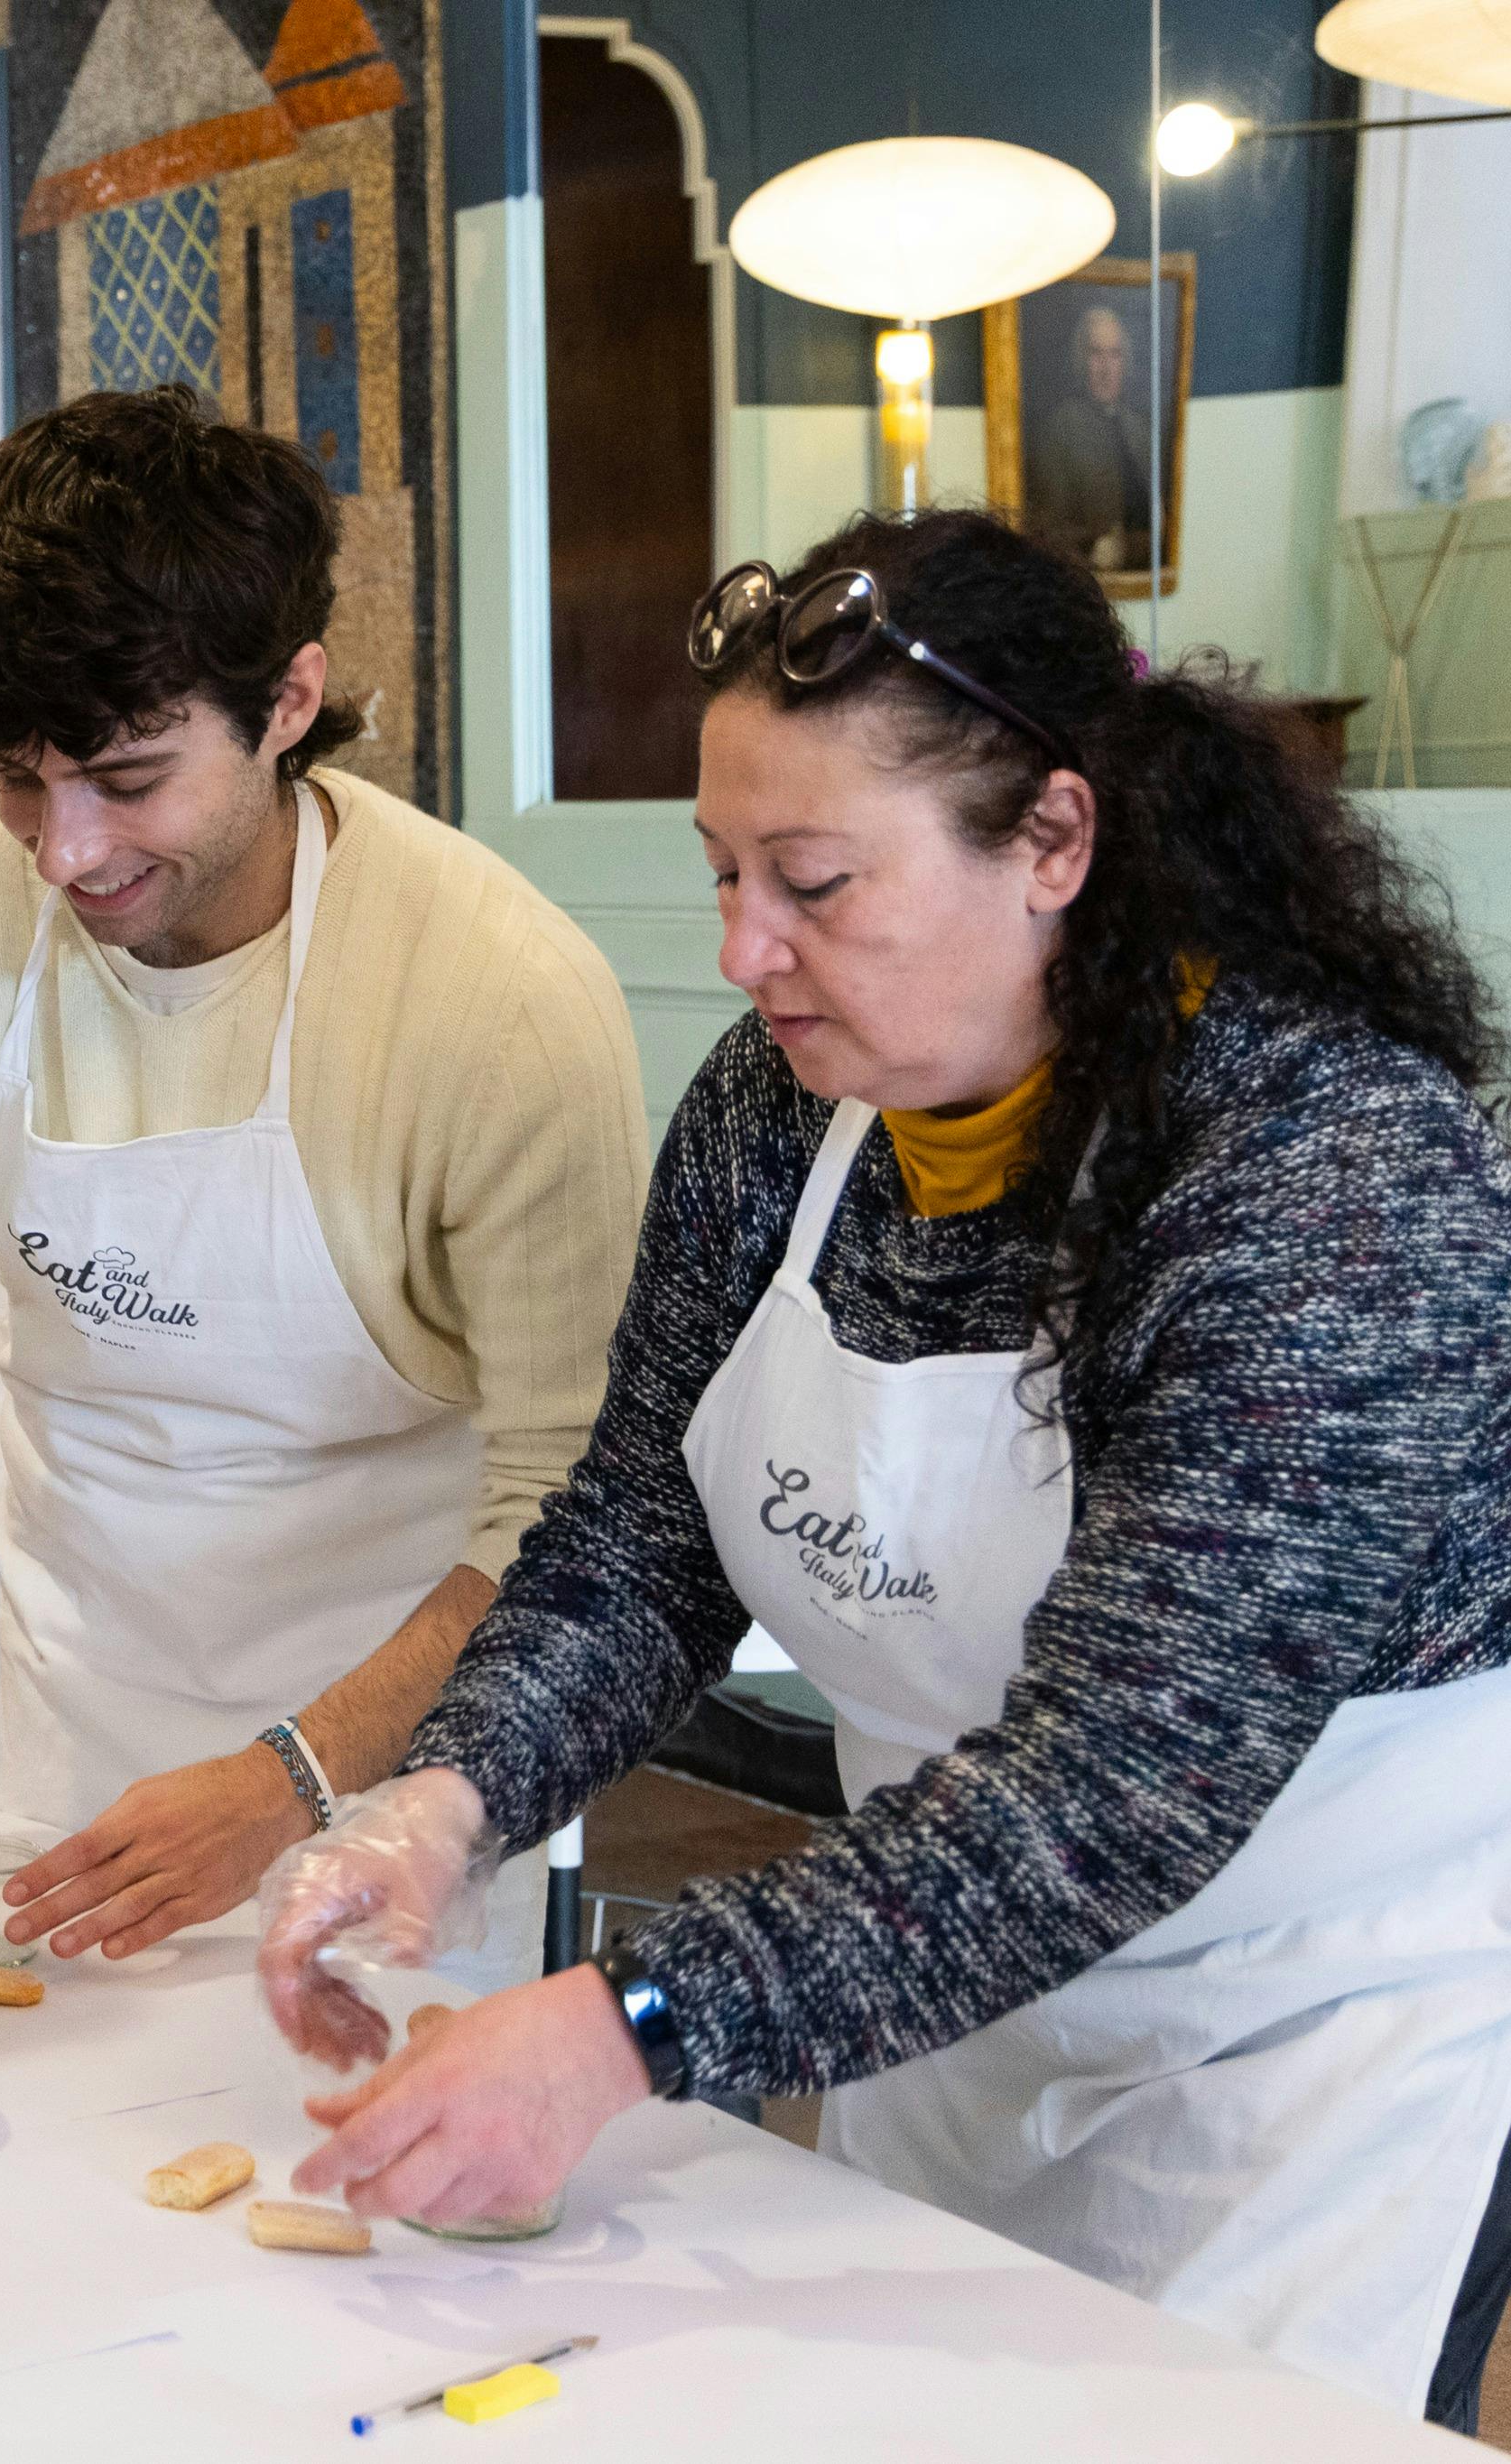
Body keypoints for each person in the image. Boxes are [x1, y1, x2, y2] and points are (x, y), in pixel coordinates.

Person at [264, 508, 1511, 2429]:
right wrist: (452, 1792)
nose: (740, 950)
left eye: (813, 882)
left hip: (1304, 2037)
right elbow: (644, 1529)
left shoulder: (1318, 1179)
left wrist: (631, 2024)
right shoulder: (783, 1108)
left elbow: (1112, 1784)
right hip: (941, 1983)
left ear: (1053, 844)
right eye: (722, 872)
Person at [0, 385, 650, 1957]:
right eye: (15, 775)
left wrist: (289, 1783)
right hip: (65, 1741)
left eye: (127, 778)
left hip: (402, 1782)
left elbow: (572, 1507)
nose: (62, 850)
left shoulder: (496, 998)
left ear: (290, 701)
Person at [1026, 301, 1154, 574]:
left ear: (1125, 361)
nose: (1106, 368)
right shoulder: (1058, 431)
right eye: (1096, 354)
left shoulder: (1142, 430)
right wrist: (1092, 546)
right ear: (1081, 360)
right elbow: (1047, 530)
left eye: (1115, 354)